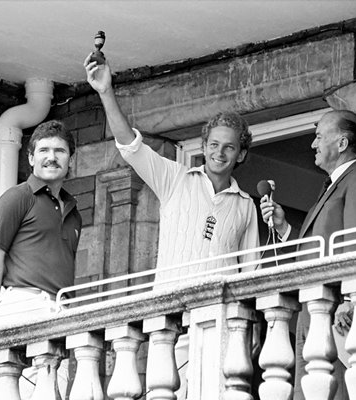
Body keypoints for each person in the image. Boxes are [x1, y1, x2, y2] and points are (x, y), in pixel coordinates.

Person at [84, 54, 260, 397]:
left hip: (220, 326)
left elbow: (250, 276)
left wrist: (248, 337)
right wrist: (106, 92)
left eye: (229, 147)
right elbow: (130, 147)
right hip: (171, 324)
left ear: (240, 154)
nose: (219, 153)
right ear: (203, 147)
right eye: (213, 145)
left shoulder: (245, 206)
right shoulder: (175, 179)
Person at [260, 109, 356, 400]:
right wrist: (284, 228)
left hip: (338, 314)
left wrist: (351, 301)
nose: (313, 145)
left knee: (338, 392)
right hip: (313, 311)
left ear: (341, 144)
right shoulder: (331, 185)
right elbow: (319, 250)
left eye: (318, 137)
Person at [0, 120, 81, 399]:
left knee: (52, 392)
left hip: (58, 309)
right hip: (21, 304)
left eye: (60, 151)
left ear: (70, 159)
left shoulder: (73, 213)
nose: (51, 157)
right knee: (14, 390)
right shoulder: (18, 197)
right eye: (44, 150)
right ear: (31, 157)